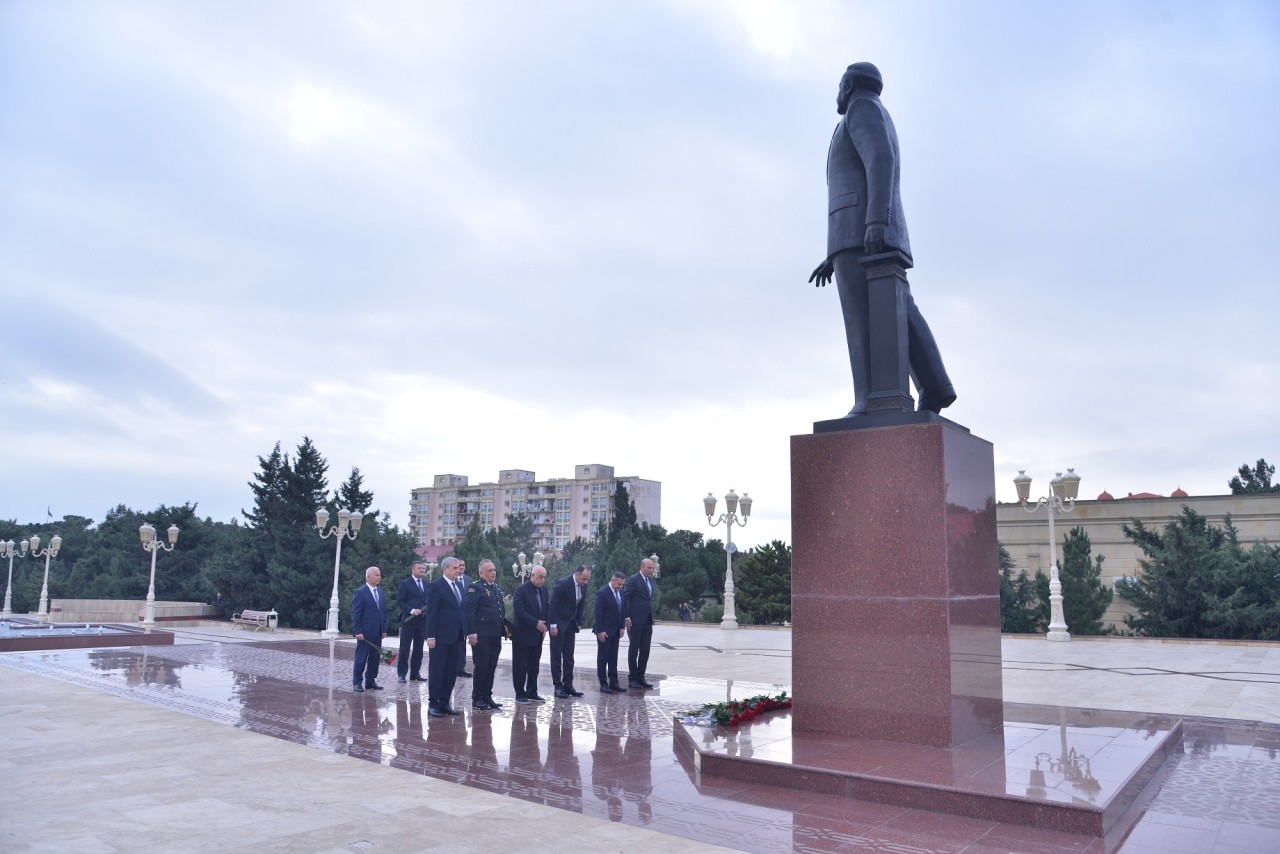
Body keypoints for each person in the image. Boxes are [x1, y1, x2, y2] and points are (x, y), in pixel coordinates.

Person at [808, 61, 955, 417]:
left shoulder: (862, 108)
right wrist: (834, 253)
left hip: (861, 231)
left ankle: (869, 399)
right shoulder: (874, 111)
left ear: (849, 85)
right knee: (900, 311)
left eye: (840, 85)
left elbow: (880, 159)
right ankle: (935, 385)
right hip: (860, 232)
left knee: (862, 320)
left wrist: (874, 221)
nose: (837, 94)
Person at [425, 556, 465, 716]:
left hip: (456, 637)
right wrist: (430, 636)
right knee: (437, 670)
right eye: (455, 568)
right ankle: (433, 704)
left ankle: (445, 702)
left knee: (451, 670)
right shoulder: (436, 586)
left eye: (459, 568)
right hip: (440, 637)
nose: (458, 570)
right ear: (446, 569)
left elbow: (461, 611)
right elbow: (432, 613)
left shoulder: (459, 586)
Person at [464, 559, 506, 710]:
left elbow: (500, 612)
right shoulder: (475, 588)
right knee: (482, 666)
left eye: (494, 570)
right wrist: (471, 633)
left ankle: (487, 696)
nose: (493, 572)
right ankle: (477, 698)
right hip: (481, 635)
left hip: (495, 635)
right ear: (481, 573)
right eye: (489, 570)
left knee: (491, 666)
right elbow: (469, 613)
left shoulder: (497, 589)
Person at [549, 565, 591, 698]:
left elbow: (581, 605)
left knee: (569, 657)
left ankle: (568, 685)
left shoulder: (583, 586)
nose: (585, 582)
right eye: (584, 579)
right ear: (577, 574)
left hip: (571, 626)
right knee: (556, 656)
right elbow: (553, 605)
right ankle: (557, 686)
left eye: (587, 579)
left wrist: (578, 622)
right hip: (559, 625)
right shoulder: (562, 584)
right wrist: (553, 625)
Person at [511, 564, 549, 703]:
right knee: (521, 666)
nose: (542, 580)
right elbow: (520, 611)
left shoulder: (544, 590)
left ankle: (532, 691)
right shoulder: (521, 590)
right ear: (532, 575)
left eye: (544, 577)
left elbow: (547, 609)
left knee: (534, 665)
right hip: (522, 634)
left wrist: (545, 627)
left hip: (538, 635)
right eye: (540, 577)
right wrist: (536, 623)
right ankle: (520, 693)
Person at [621, 558, 657, 689]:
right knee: (634, 649)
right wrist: (626, 617)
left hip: (647, 620)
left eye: (652, 568)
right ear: (642, 566)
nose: (651, 570)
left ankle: (641, 677)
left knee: (645, 650)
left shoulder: (650, 581)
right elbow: (625, 598)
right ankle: (633, 678)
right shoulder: (633, 580)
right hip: (634, 621)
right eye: (649, 568)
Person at [351, 566, 387, 693]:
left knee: (375, 658)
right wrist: (358, 631)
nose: (379, 577)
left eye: (379, 575)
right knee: (361, 658)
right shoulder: (360, 592)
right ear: (368, 577)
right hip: (365, 633)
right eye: (376, 575)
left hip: (377, 632)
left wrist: (384, 629)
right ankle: (357, 682)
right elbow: (356, 613)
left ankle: (370, 681)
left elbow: (383, 612)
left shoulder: (381, 592)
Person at [395, 562, 429, 684]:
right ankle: (402, 674)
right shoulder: (405, 583)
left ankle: (415, 673)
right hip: (409, 621)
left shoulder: (426, 584)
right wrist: (411, 610)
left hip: (422, 622)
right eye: (419, 568)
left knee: (419, 649)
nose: (422, 569)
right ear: (413, 569)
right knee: (405, 648)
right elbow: (400, 601)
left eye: (423, 568)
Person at [593, 571, 626, 693]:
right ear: (612, 580)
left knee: (613, 657)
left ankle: (614, 682)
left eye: (622, 585)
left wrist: (622, 627)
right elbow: (598, 613)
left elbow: (622, 610)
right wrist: (600, 630)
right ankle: (603, 683)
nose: (620, 587)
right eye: (618, 584)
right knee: (603, 657)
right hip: (604, 631)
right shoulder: (602, 593)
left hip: (616, 631)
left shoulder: (621, 593)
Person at [454, 560, 473, 678]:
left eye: (463, 565)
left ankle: (461, 668)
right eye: (459, 565)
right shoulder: (452, 579)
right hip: (453, 617)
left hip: (465, 617)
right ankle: (452, 667)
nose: (461, 567)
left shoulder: (469, 580)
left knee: (462, 643)